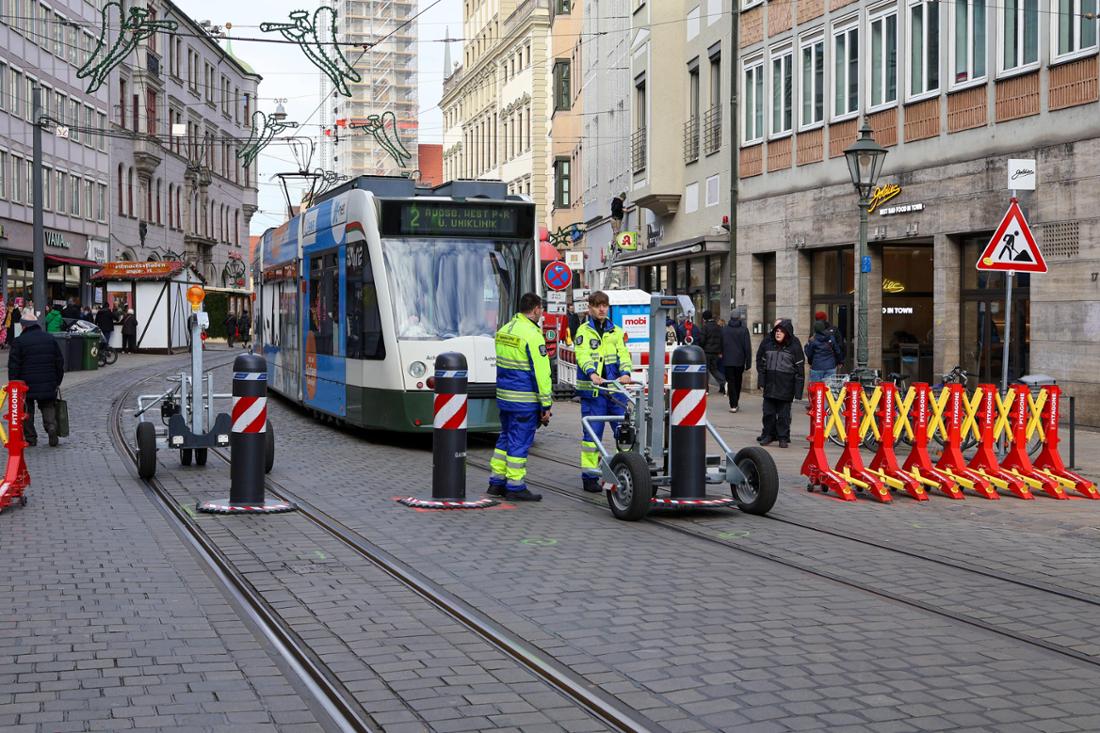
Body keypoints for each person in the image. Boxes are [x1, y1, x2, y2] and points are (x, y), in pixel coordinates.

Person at [489, 292, 552, 502]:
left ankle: (496, 482)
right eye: (541, 309)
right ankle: (515, 486)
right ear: (535, 309)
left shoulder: (504, 330)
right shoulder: (533, 335)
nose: (541, 313)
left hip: (505, 398)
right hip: (524, 400)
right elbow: (541, 374)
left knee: (505, 437)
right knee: (519, 441)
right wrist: (546, 404)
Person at [574, 290, 633, 493]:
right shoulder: (583, 331)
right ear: (590, 307)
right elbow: (582, 355)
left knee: (624, 434)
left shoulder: (616, 331)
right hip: (594, 392)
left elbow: (624, 354)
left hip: (614, 391)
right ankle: (589, 477)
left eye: (604, 305)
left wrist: (625, 373)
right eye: (597, 305)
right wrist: (591, 373)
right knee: (592, 436)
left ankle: (624, 470)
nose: (601, 309)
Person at [8, 316, 65, 447]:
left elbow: (14, 366)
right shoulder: (50, 338)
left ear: (24, 326)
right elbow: (59, 361)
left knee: (27, 409)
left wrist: (13, 383)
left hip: (25, 383)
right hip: (48, 381)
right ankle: (51, 427)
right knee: (48, 406)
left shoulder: (19, 341)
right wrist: (57, 380)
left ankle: (30, 438)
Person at [755, 320, 805, 448]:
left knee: (784, 415)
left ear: (787, 333)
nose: (778, 333)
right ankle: (768, 435)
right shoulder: (768, 344)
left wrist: (798, 392)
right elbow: (762, 364)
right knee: (768, 413)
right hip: (770, 386)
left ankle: (783, 437)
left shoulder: (794, 346)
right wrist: (761, 381)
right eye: (776, 331)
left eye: (781, 331)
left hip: (786, 387)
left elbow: (800, 370)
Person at [721, 312, 752, 413]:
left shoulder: (724, 329)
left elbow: (721, 344)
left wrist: (721, 355)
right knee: (738, 382)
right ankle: (735, 402)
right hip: (739, 361)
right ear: (739, 318)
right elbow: (747, 347)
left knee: (731, 382)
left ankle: (733, 404)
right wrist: (748, 362)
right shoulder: (743, 330)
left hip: (728, 360)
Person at [700, 310, 725, 394]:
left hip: (706, 352)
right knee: (714, 369)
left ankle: (706, 389)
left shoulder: (705, 327)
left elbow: (702, 340)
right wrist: (720, 351)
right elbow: (722, 340)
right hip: (716, 352)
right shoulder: (718, 327)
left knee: (705, 370)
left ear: (705, 318)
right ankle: (723, 382)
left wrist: (701, 348)